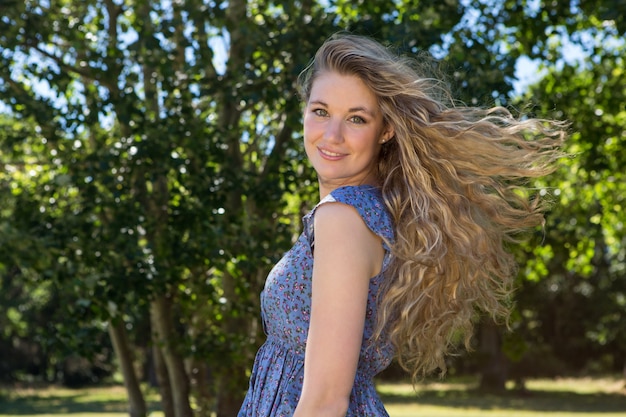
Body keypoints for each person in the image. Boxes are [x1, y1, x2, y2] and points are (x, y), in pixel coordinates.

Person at [237, 33, 566, 417]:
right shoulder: (372, 213)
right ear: (304, 110)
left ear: (386, 130)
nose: (331, 135)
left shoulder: (343, 219)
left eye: (356, 118)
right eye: (321, 111)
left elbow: (326, 400)